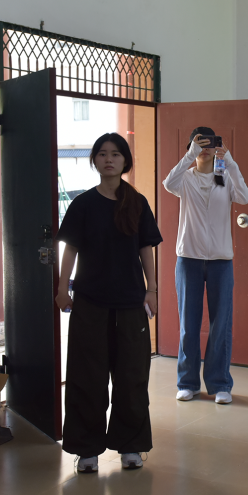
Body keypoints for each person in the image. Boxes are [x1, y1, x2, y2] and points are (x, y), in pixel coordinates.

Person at [55, 133, 162, 473]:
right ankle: (86, 450)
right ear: (95, 161)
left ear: (125, 160)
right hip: (90, 302)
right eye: (102, 154)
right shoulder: (83, 204)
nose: (109, 159)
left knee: (132, 377)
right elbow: (70, 248)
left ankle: (131, 446)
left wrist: (152, 289)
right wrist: (62, 288)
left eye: (115, 154)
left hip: (130, 303)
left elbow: (146, 248)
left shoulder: (137, 202)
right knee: (87, 377)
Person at [162, 126, 248, 403]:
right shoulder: (185, 179)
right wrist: (190, 155)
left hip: (220, 261)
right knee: (188, 324)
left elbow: (245, 197)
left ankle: (220, 384)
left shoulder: (224, 177)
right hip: (188, 258)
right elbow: (168, 183)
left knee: (220, 323)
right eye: (199, 143)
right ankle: (187, 382)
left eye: (209, 143)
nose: (205, 148)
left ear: (217, 146)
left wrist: (231, 162)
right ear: (192, 146)